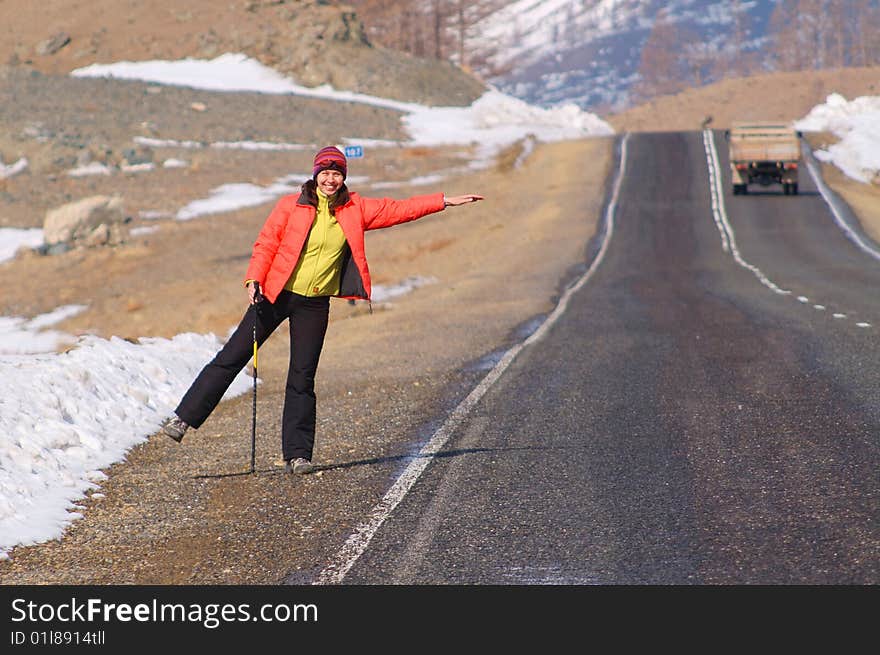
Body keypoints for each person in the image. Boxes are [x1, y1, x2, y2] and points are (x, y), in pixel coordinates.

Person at [161, 145, 483, 474]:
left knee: (302, 375)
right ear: (316, 175)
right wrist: (254, 279)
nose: (331, 179)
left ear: (344, 177)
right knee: (232, 356)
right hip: (274, 294)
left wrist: (443, 201)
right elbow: (267, 242)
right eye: (325, 173)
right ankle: (183, 419)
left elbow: (399, 208)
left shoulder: (355, 208)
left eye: (337, 173)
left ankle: (297, 455)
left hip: (314, 303)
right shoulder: (291, 205)